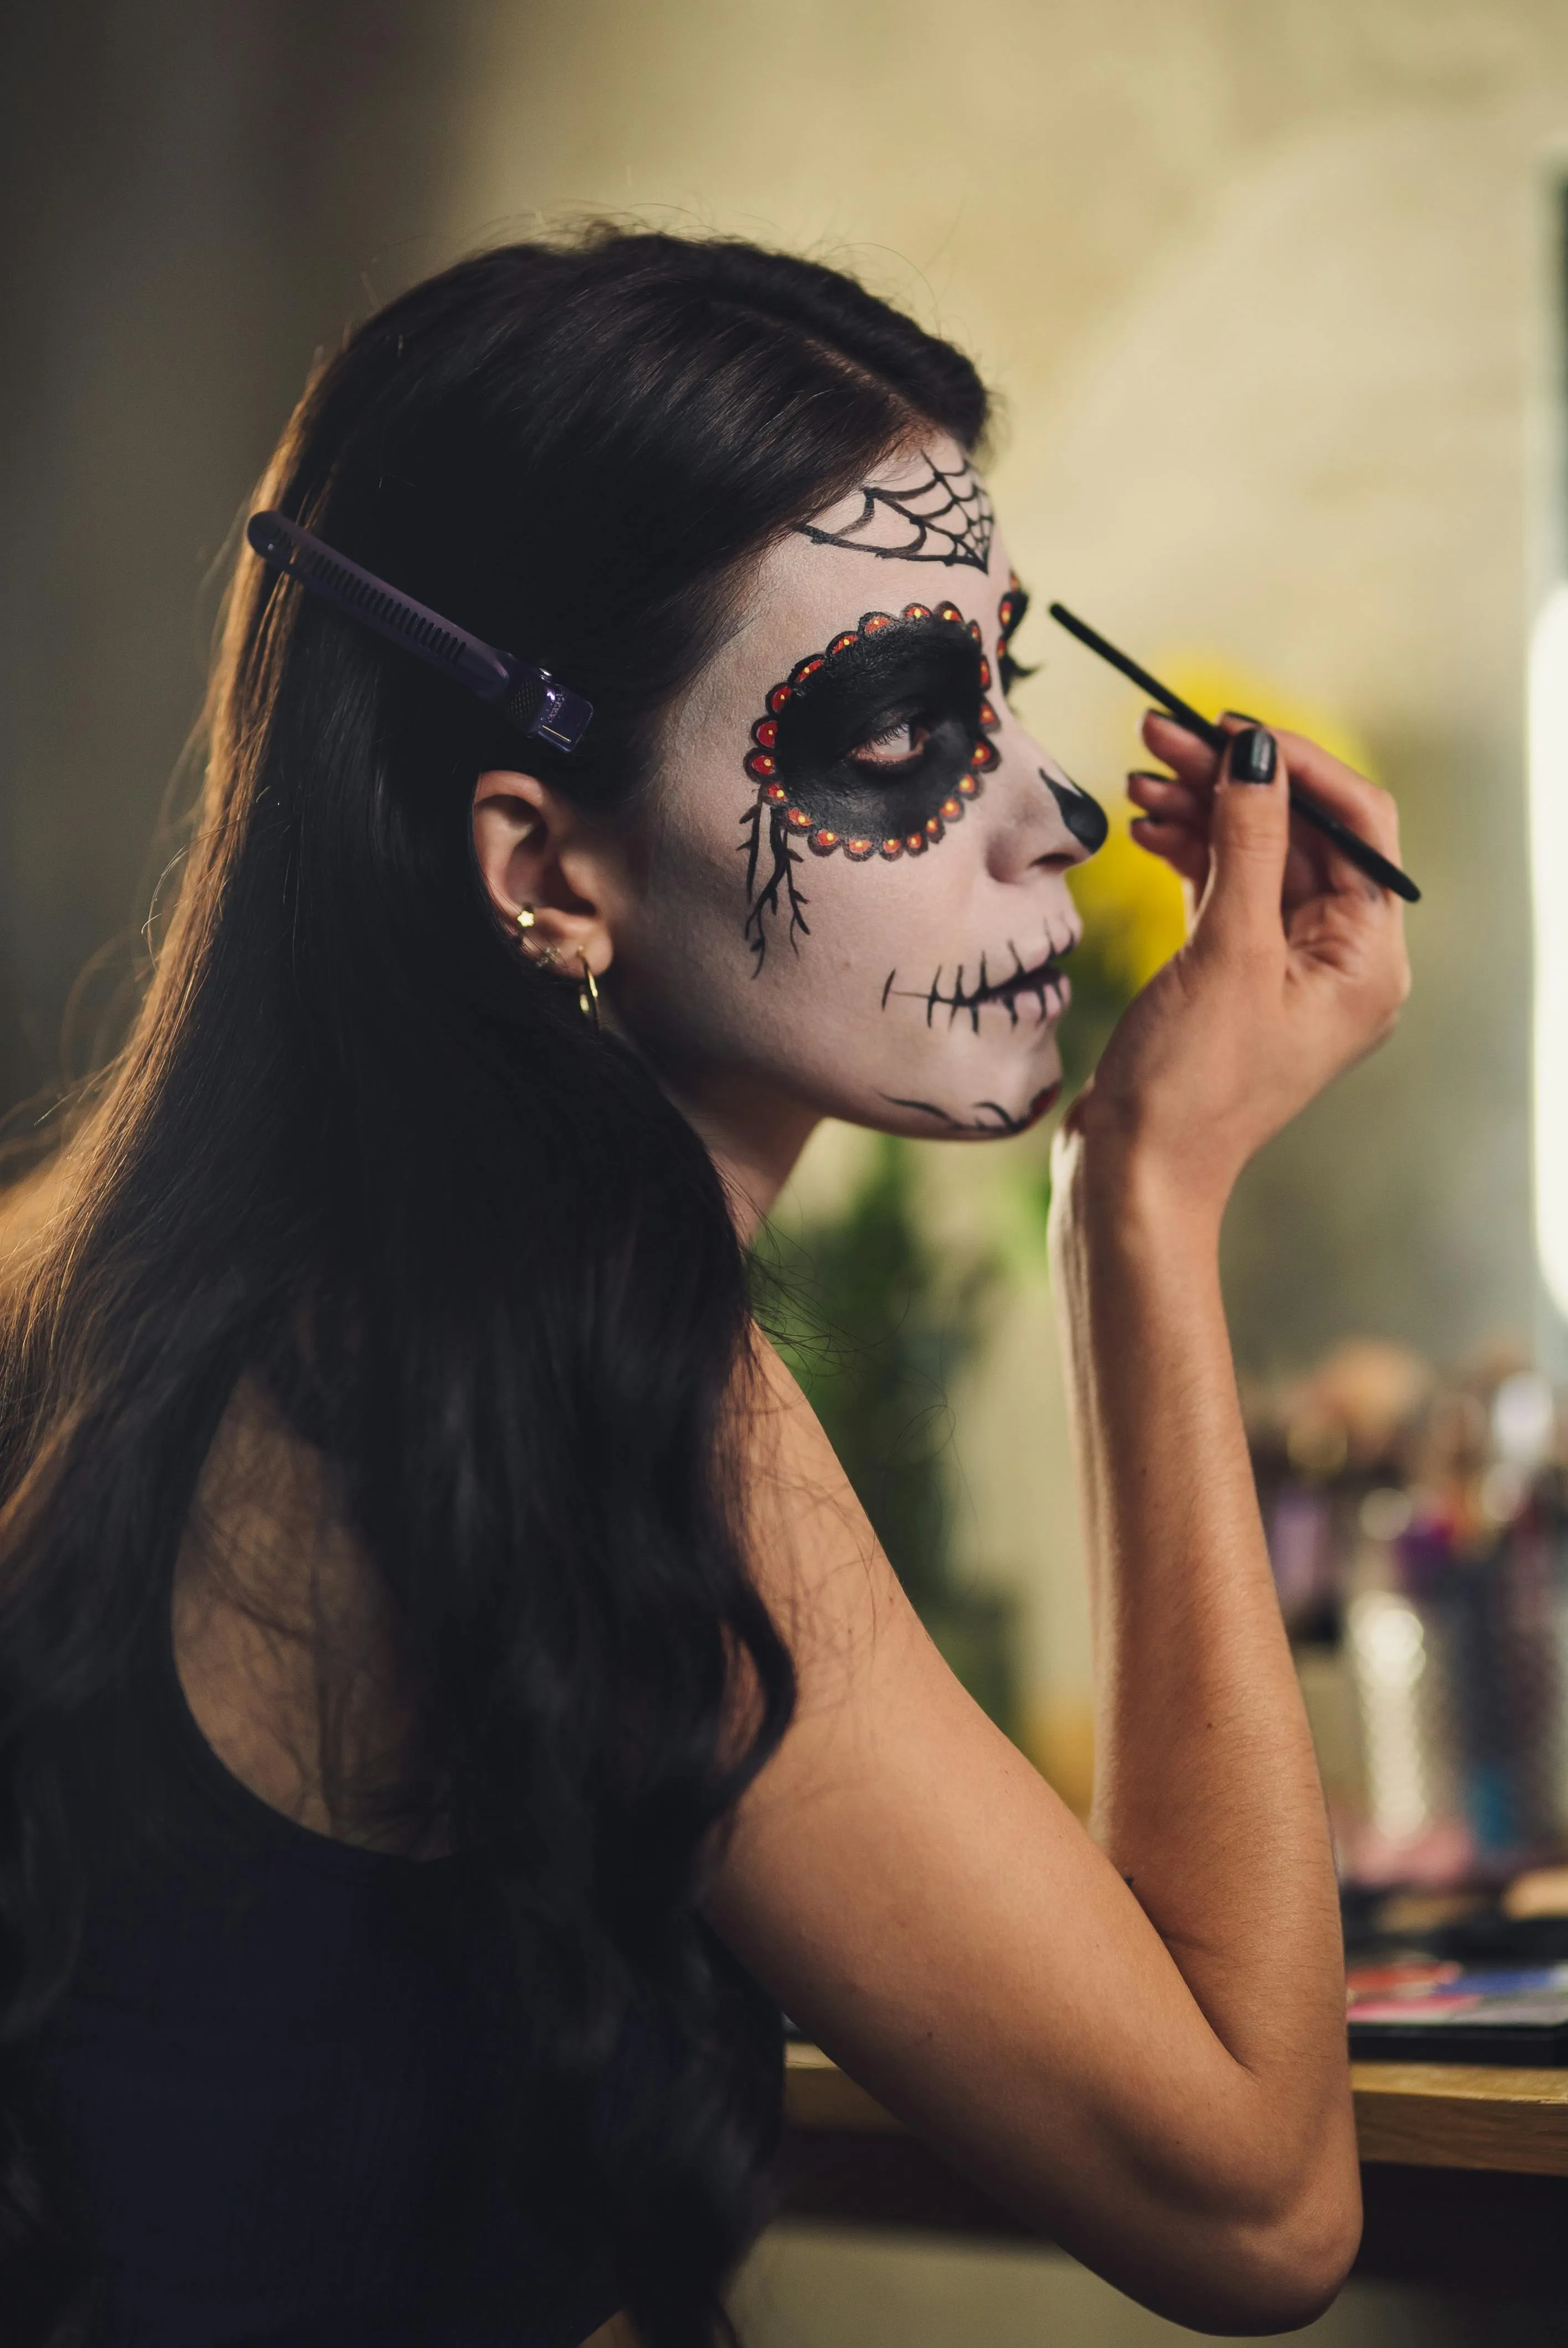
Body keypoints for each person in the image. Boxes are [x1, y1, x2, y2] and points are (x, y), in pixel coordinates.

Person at [0, 229, 1408, 2347]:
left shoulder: (117, 1287)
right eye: (897, 726)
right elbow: (1261, 2198)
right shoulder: (580, 1391)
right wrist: (1147, 1199)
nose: (1041, 820)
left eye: (1001, 686)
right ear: (544, 870)